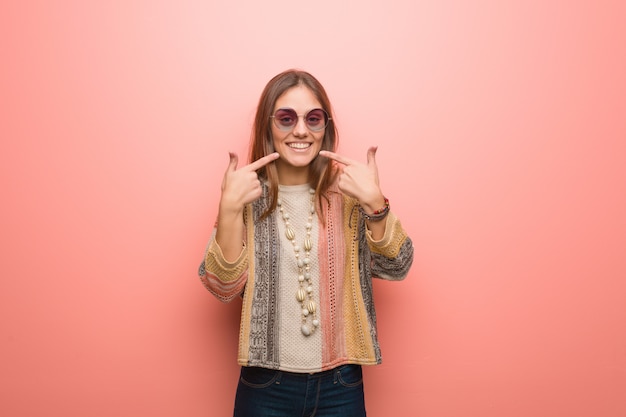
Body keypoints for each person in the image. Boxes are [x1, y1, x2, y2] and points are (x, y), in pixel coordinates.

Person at [198, 69, 414, 417]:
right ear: (268, 125)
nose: (301, 130)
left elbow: (398, 266)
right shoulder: (249, 196)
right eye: (286, 118)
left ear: (325, 127)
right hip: (266, 385)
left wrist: (376, 205)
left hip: (340, 384)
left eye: (313, 119)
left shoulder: (348, 194)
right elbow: (223, 287)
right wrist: (228, 210)